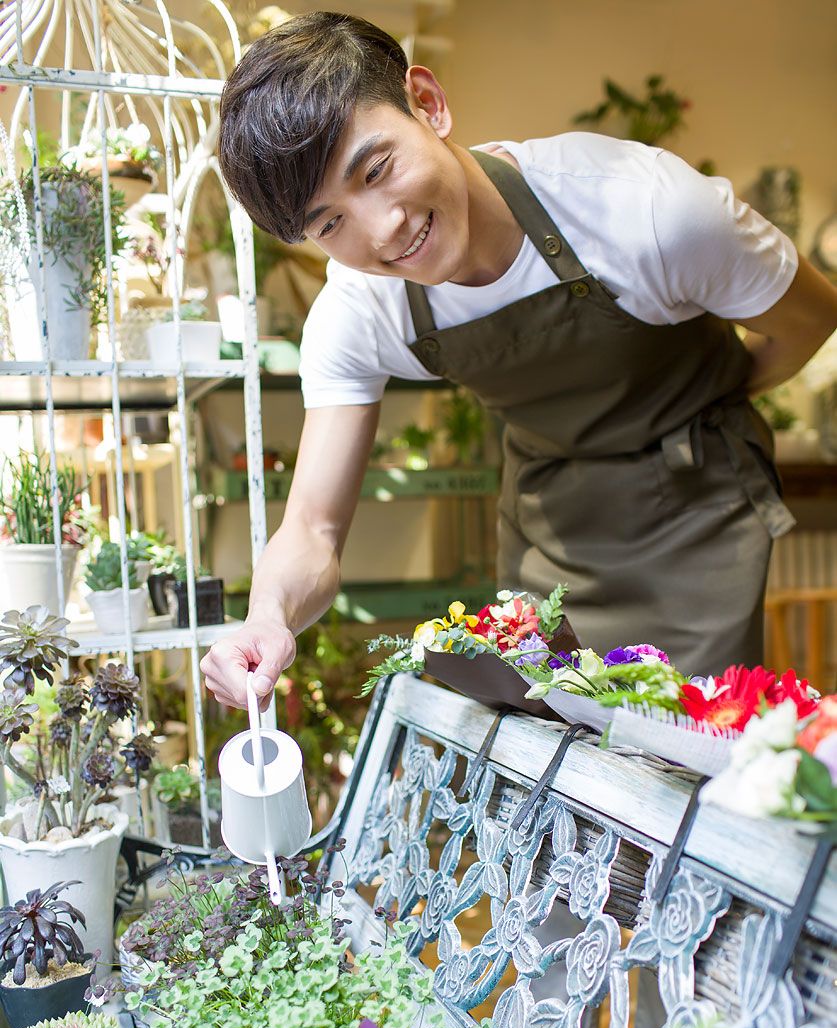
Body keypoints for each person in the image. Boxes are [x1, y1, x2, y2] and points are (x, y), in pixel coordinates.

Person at [202, 11, 837, 711]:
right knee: (546, 765)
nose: (382, 228)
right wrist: (267, 621)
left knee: (681, 763)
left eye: (377, 169)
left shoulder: (645, 213)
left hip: (694, 523)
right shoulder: (361, 311)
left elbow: (808, 317)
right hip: (548, 533)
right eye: (330, 223)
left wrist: (709, 396)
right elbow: (313, 529)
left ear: (428, 103)